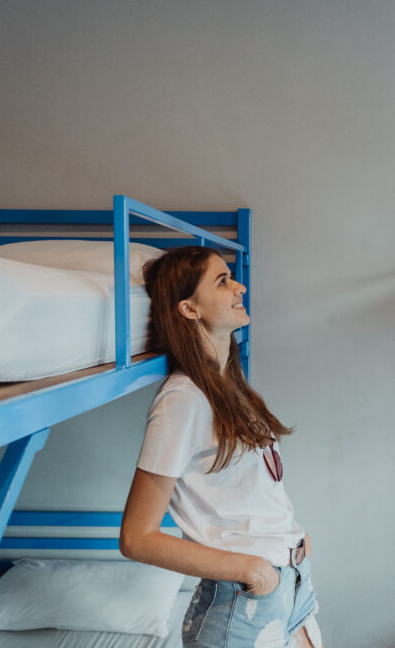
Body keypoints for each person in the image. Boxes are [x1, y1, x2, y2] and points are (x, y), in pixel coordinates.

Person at [119, 246, 323, 648]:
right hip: (246, 598)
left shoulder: (228, 387)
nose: (239, 287)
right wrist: (251, 569)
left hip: (292, 583)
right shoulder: (181, 400)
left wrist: (292, 541)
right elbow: (136, 537)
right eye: (223, 280)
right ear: (189, 309)